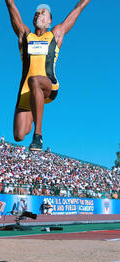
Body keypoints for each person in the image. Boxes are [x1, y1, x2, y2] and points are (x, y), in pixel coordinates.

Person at [5, 1, 91, 151]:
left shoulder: (55, 34)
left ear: (50, 21)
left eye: (43, 13)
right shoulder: (25, 35)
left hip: (48, 85)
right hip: (27, 90)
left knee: (35, 81)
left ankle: (38, 135)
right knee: (19, 135)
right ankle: (34, 107)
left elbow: (77, 9)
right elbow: (11, 7)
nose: (39, 14)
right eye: (37, 13)